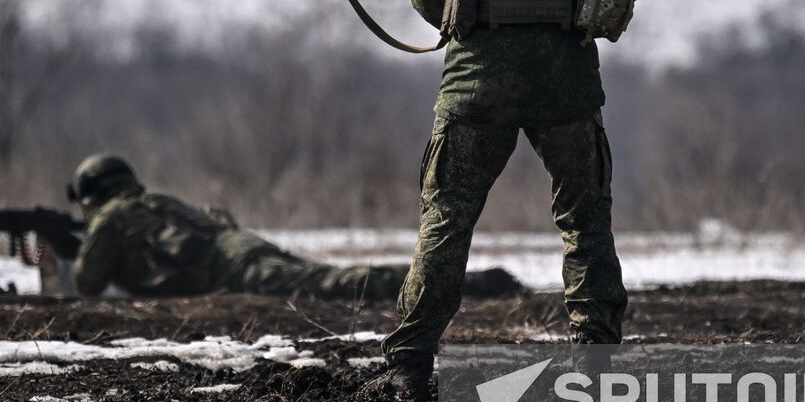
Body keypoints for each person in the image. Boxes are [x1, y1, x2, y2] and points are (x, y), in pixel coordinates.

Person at [371, 0, 628, 402]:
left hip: (475, 86)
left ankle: (409, 366)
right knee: (586, 225)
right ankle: (595, 366)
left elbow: (434, 5)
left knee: (446, 224)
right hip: (567, 84)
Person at [67, 153, 525, 301]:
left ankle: (468, 283)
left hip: (228, 267)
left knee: (336, 285)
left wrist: (67, 254)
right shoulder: (151, 201)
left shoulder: (110, 219)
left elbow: (88, 283)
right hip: (240, 244)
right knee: (330, 277)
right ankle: (456, 280)